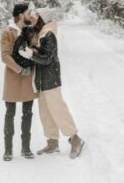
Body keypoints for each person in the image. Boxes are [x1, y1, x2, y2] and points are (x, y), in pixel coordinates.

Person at [20, 11, 85, 159]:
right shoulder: (41, 33)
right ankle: (52, 142)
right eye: (33, 16)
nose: (33, 18)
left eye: (37, 16)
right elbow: (40, 53)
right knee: (45, 112)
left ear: (44, 18)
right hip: (42, 79)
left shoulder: (49, 34)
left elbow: (48, 58)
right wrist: (31, 50)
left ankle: (75, 139)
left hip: (50, 78)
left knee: (57, 109)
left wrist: (31, 54)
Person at [0, 2, 37, 161]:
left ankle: (25, 148)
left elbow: (36, 48)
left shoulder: (32, 31)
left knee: (27, 114)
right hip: (13, 78)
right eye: (28, 12)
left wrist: (31, 53)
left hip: (28, 78)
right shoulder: (7, 32)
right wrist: (20, 69)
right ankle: (8, 150)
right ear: (21, 14)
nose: (31, 14)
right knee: (10, 114)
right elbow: (5, 56)